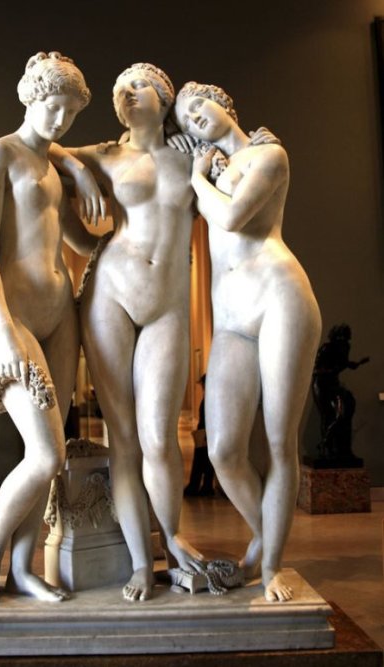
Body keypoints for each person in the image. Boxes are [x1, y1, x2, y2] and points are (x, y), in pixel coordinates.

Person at [49, 63, 207, 602]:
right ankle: (143, 563)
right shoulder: (106, 155)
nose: (125, 94)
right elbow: (45, 148)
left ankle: (173, 540)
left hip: (168, 306)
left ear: (164, 97)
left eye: (136, 85)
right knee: (124, 440)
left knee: (159, 437)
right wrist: (80, 172)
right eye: (118, 89)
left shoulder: (191, 154)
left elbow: (240, 151)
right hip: (110, 296)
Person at [172, 81, 322, 602]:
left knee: (280, 442)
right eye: (185, 119)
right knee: (223, 450)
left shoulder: (269, 155)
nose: (194, 117)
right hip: (232, 319)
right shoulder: (211, 167)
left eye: (198, 105)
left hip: (281, 298)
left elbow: (233, 217)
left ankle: (272, 564)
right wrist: (188, 159)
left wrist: (196, 175)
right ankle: (265, 536)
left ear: (225, 103)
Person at [0, 51, 102, 604]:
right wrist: (0, 324)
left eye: (70, 112)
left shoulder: (53, 165)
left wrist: (138, 230)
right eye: (53, 107)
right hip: (14, 317)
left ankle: (22, 570)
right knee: (46, 455)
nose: (61, 121)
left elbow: (80, 240)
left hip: (60, 316)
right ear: (31, 97)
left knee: (52, 456)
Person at [311, 323, 369, 464]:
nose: (344, 342)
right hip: (322, 384)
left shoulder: (345, 347)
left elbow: (345, 363)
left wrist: (354, 364)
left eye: (346, 339)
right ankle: (327, 448)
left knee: (344, 412)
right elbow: (316, 370)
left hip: (333, 384)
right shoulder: (326, 348)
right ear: (336, 337)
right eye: (342, 338)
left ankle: (342, 449)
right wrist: (333, 370)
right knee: (328, 415)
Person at [184, 374, 215, 496]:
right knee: (206, 462)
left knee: (199, 462)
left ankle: (195, 487)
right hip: (206, 434)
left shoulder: (210, 399)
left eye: (203, 384)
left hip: (205, 434)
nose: (202, 387)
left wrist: (206, 434)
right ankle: (206, 487)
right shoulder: (210, 397)